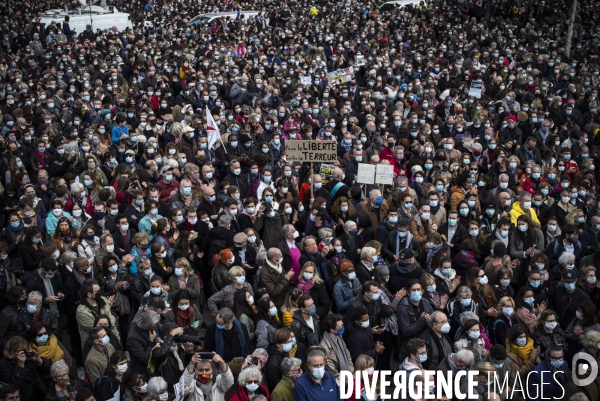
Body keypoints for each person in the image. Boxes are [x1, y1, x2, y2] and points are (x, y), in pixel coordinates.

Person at [127, 310, 161, 376]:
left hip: (155, 369)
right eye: (153, 326)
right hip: (142, 373)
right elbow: (144, 359)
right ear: (146, 325)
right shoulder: (133, 337)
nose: (155, 327)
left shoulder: (153, 328)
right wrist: (151, 342)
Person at [320, 313, 354, 379]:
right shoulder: (324, 347)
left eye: (342, 325)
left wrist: (350, 371)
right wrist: (340, 376)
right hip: (337, 378)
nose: (342, 328)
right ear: (332, 330)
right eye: (340, 327)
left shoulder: (339, 337)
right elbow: (329, 366)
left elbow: (348, 355)